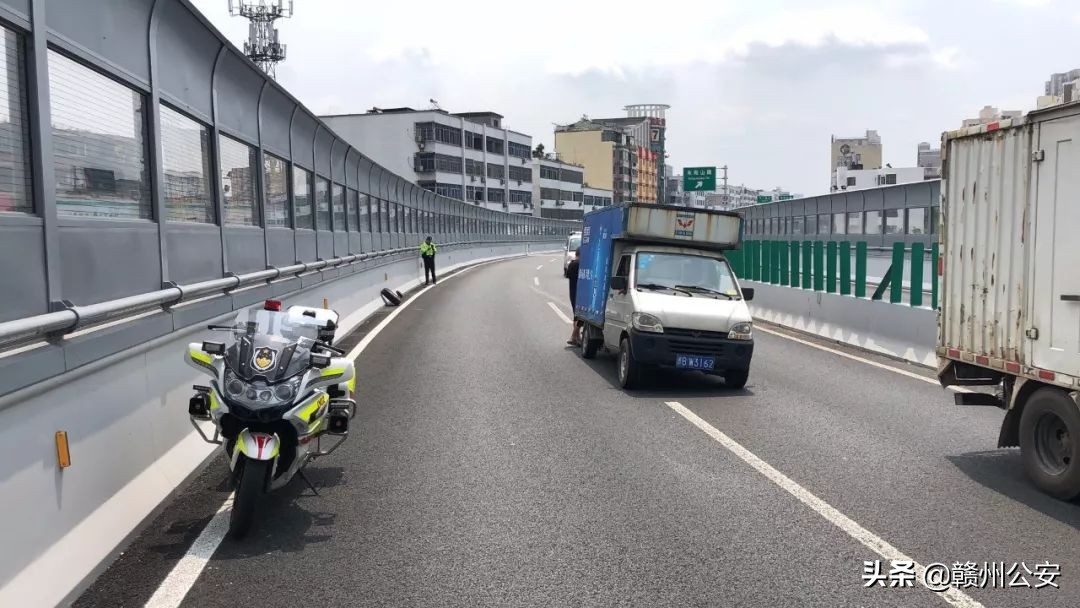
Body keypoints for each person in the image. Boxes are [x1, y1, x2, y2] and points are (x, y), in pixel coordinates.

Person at [566, 247, 582, 346]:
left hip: (572, 292)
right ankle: (573, 336)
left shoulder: (571, 264)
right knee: (580, 316)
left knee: (576, 316)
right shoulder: (580, 265)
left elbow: (568, 276)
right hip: (580, 294)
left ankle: (577, 338)